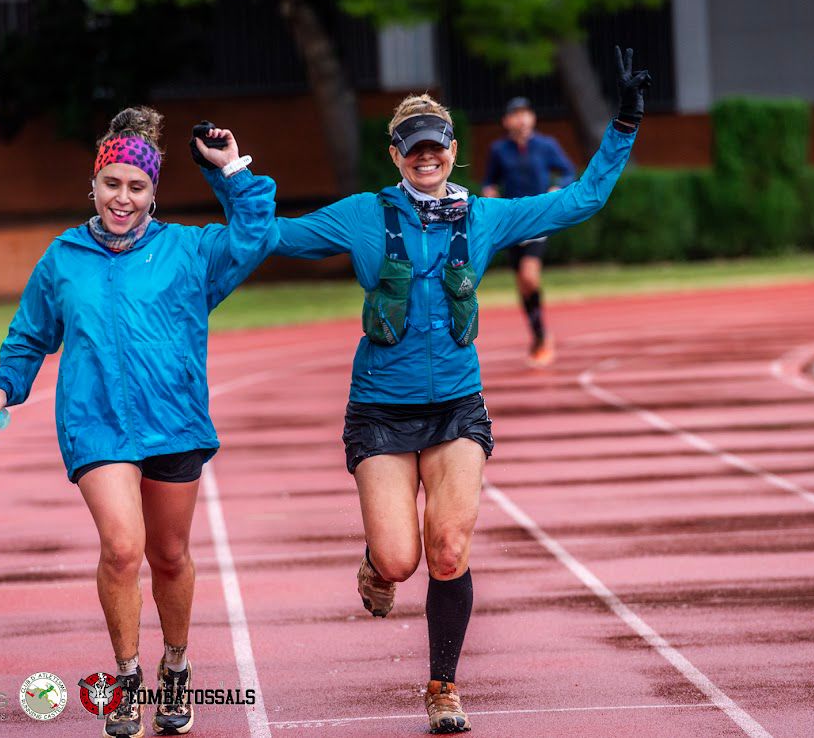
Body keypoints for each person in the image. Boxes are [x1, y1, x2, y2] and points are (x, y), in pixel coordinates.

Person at [271, 47, 650, 733]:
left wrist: (622, 124)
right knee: (400, 558)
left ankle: (442, 685)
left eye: (436, 146)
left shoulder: (484, 217)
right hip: (380, 410)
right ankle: (378, 562)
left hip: (455, 407)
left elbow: (581, 199)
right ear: (395, 154)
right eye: (413, 147)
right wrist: (232, 175)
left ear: (452, 150)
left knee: (447, 548)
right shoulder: (362, 215)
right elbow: (274, 235)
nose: (426, 157)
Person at [0, 106, 276, 738]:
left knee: (169, 555)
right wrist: (4, 385)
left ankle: (176, 665)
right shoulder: (64, 257)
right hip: (97, 423)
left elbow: (254, 236)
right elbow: (30, 335)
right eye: (111, 183)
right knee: (121, 548)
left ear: (153, 192)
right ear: (93, 184)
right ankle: (127, 677)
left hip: (174, 421)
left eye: (136, 186)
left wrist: (230, 172)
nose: (122, 197)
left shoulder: (189, 251)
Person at [481, 96, 576, 367]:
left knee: (529, 276)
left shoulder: (546, 145)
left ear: (532, 118)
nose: (521, 119)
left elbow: (568, 171)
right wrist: (489, 193)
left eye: (525, 113)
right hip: (511, 223)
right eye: (515, 114)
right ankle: (538, 336)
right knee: (523, 285)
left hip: (538, 220)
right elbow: (489, 181)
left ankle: (542, 337)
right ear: (506, 121)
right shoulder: (499, 150)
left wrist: (557, 187)